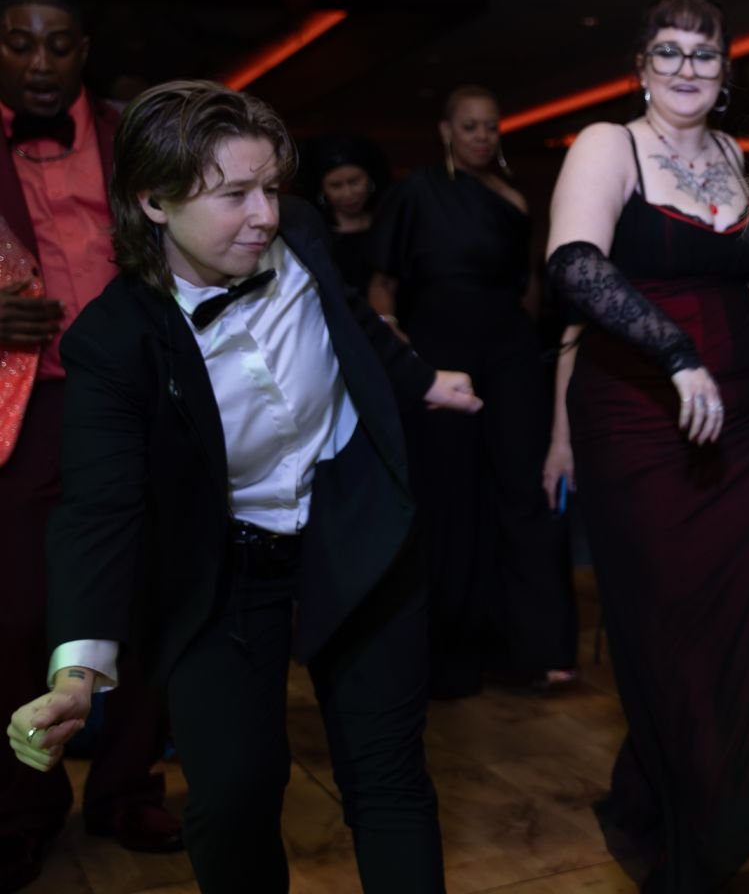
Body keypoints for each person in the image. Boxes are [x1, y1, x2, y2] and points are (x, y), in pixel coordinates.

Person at [6, 80, 485, 893]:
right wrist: (76, 672)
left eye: (270, 186)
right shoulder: (113, 340)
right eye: (233, 195)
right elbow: (99, 508)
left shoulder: (301, 230)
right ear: (153, 201)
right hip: (221, 567)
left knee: (389, 778)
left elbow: (352, 322)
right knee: (233, 800)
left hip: (351, 525)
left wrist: (425, 381)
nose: (264, 215)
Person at [543, 0, 749, 891]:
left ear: (724, 73)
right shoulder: (609, 145)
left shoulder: (734, 159)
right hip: (641, 417)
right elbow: (574, 265)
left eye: (703, 55)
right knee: (672, 626)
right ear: (641, 67)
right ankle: (684, 820)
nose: (685, 69)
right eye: (667, 52)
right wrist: (674, 354)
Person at [0, 0, 178, 892]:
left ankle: (128, 786)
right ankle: (22, 805)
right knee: (18, 613)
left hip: (135, 395)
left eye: (59, 44)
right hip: (23, 410)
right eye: (20, 43)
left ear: (84, 50)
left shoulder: (129, 132)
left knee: (146, 597)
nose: (40, 62)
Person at [368, 86, 576, 696]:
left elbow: (528, 283)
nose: (482, 137)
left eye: (490, 126)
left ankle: (534, 649)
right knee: (449, 496)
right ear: (446, 131)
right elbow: (382, 283)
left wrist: (525, 347)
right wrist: (400, 348)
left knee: (522, 488)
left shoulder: (512, 197)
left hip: (508, 350)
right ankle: (448, 656)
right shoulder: (415, 192)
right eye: (470, 126)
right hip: (438, 345)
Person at [301, 130, 389, 298]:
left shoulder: (388, 224)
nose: (348, 193)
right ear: (322, 189)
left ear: (370, 179)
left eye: (354, 181)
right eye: (336, 186)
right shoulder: (314, 236)